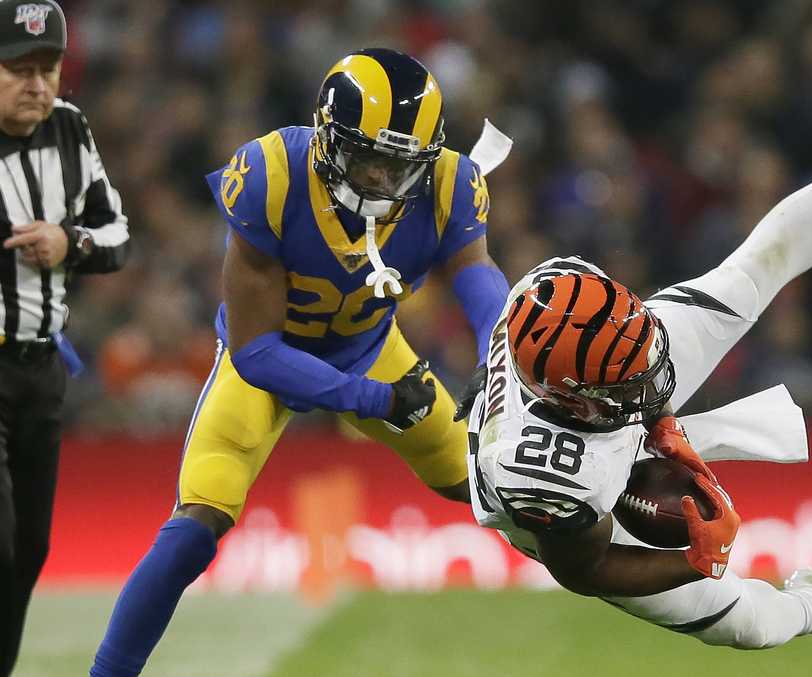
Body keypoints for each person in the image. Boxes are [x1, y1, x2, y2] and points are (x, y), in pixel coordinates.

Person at [466, 57, 812, 660]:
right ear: (575, 396)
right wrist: (696, 561)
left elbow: (609, 350)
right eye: (631, 382)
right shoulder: (542, 478)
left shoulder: (561, 294)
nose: (654, 377)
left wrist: (641, 389)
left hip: (591, 405)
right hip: (572, 502)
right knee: (749, 627)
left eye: (641, 355)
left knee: (756, 267)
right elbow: (587, 570)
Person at [91, 48, 510, 676]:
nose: (379, 181)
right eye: (368, 159)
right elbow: (259, 353)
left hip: (370, 348)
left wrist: (496, 350)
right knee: (194, 530)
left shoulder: (450, 182)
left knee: (492, 485)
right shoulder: (271, 175)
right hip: (264, 363)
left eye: (398, 166)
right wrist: (376, 400)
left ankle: (636, 574)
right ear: (327, 136)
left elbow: (475, 275)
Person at [0, 1, 132, 674]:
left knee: (29, 551)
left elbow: (117, 235)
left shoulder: (70, 130)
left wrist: (68, 240)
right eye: (18, 69)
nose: (38, 84)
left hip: (42, 368)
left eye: (47, 67)